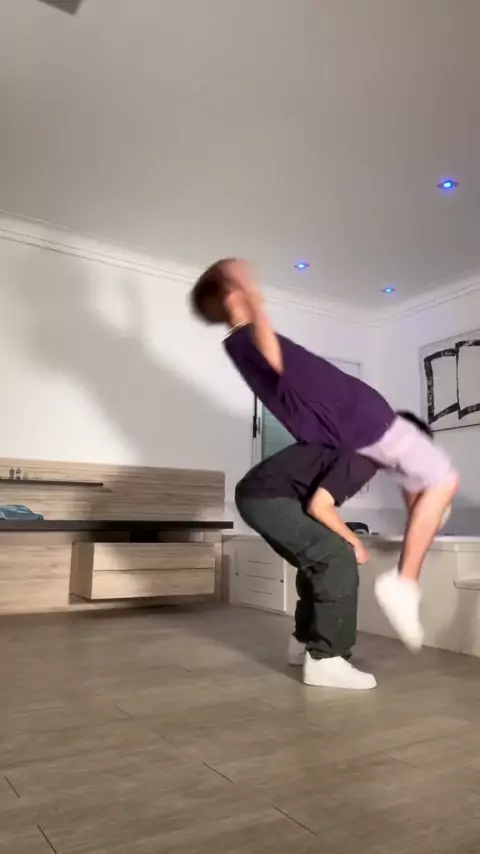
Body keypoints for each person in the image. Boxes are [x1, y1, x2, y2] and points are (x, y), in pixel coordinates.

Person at [190, 258, 458, 652]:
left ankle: (307, 639)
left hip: (355, 430)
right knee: (441, 478)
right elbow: (274, 354)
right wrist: (253, 294)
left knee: (427, 481)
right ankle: (403, 584)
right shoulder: (251, 341)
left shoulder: (241, 343)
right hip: (360, 429)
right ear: (232, 298)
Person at [235, 442, 379, 689]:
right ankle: (327, 659)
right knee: (336, 556)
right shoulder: (364, 456)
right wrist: (355, 542)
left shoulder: (350, 444)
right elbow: (319, 506)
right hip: (267, 496)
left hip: (259, 493)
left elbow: (314, 504)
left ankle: (304, 643)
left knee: (318, 559)